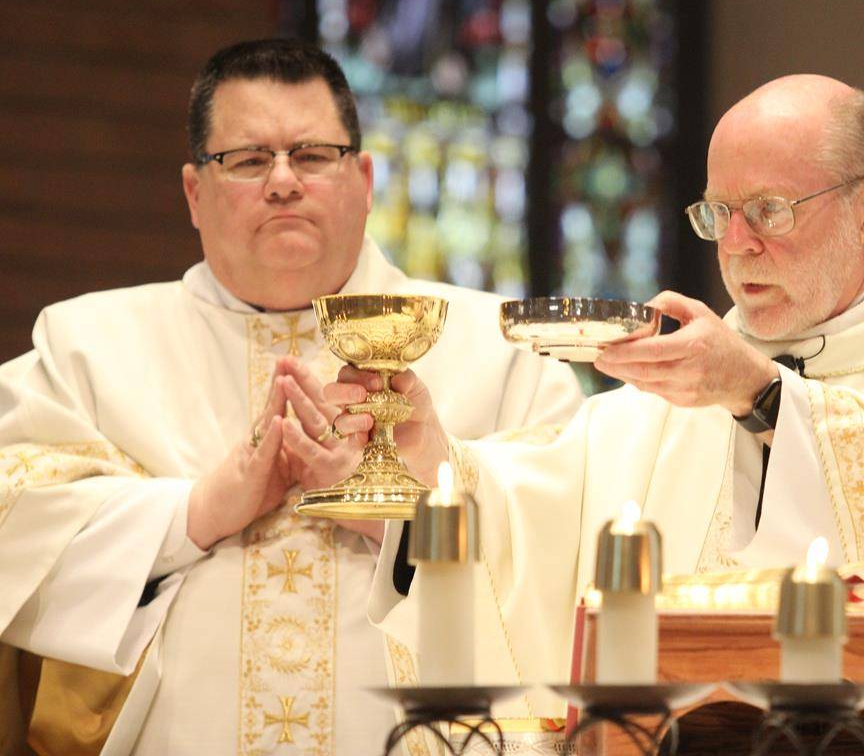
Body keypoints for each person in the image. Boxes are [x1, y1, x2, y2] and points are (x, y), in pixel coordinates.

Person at [338, 75, 864, 716]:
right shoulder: (677, 392)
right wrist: (427, 461)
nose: (737, 245)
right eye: (718, 214)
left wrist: (758, 393)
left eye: (769, 210)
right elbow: (537, 518)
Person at [0, 39, 583, 755]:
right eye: (247, 160)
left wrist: (400, 516)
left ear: (364, 179)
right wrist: (199, 511)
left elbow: (572, 538)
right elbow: (17, 527)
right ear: (193, 192)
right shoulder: (86, 347)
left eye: (312, 155)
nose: (282, 181)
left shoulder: (499, 352)